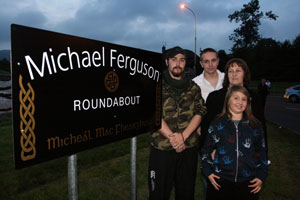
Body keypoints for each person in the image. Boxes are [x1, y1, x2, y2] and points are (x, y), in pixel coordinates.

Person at [148, 46, 207, 200]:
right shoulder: (156, 84)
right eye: (174, 59)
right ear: (167, 61)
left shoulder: (193, 87)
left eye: (181, 60)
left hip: (188, 148)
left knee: (186, 193)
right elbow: (153, 112)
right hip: (162, 148)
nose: (178, 64)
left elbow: (200, 111)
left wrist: (183, 137)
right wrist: (174, 137)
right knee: (158, 194)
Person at [201, 85, 268, 200]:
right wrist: (208, 172)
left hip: (248, 182)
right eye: (236, 98)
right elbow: (206, 150)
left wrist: (261, 175)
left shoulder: (255, 125)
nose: (240, 102)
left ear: (247, 102)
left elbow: (261, 151)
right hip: (220, 181)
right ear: (228, 101)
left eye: (244, 99)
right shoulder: (217, 124)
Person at [192, 48, 224, 200]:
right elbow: (192, 110)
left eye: (213, 60)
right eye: (206, 61)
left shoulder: (228, 78)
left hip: (229, 135)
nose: (210, 64)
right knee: (209, 175)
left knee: (230, 175)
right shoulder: (195, 84)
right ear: (201, 63)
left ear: (218, 60)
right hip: (206, 136)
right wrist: (197, 128)